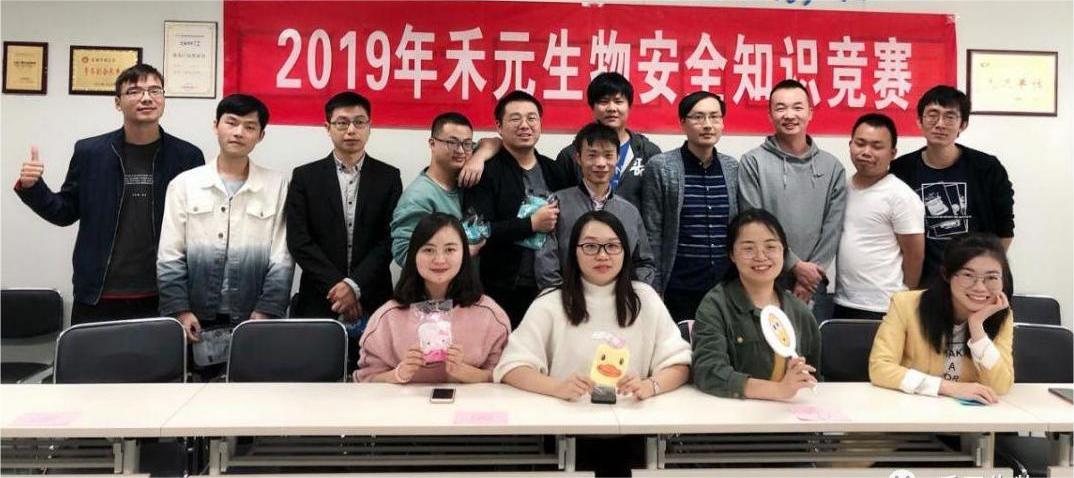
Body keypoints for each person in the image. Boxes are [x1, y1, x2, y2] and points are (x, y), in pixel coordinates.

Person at [15, 64, 204, 325]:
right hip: (98, 293)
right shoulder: (90, 152)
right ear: (117, 102)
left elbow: (197, 229)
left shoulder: (187, 156)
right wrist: (33, 187)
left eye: (155, 90)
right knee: (91, 354)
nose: (146, 98)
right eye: (134, 91)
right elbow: (64, 212)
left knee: (160, 355)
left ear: (163, 99)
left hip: (165, 293)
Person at [495, 210, 691, 400]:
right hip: (566, 417)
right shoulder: (550, 302)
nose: (602, 255)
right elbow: (512, 366)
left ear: (625, 251)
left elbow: (680, 363)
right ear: (574, 251)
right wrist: (556, 387)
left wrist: (651, 386)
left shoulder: (645, 299)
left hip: (632, 415)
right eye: (590, 246)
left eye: (612, 246)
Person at [157, 94, 293, 369]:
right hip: (195, 316)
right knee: (194, 388)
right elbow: (169, 255)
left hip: (254, 316)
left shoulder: (276, 186)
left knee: (254, 388)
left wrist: (267, 310)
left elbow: (282, 258)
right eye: (231, 123)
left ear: (261, 135)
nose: (239, 132)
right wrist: (180, 310)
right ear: (216, 125)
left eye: (249, 126)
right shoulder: (184, 185)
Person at [286, 91, 402, 364]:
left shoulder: (389, 177)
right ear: (327, 127)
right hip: (319, 298)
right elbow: (299, 240)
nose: (351, 130)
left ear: (370, 127)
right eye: (342, 122)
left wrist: (354, 285)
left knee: (374, 376)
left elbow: (390, 238)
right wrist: (338, 288)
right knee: (316, 376)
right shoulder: (305, 177)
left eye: (359, 122)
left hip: (373, 297)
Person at [457, 72, 662, 211]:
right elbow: (563, 205)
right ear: (592, 107)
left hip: (633, 245)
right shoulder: (570, 155)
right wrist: (481, 152)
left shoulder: (648, 152)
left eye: (618, 101)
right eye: (603, 102)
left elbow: (655, 210)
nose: (611, 108)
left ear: (629, 106)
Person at [738, 79, 846, 323]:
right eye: (780, 108)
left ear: (810, 112)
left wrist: (809, 276)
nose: (789, 115)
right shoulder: (753, 162)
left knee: (810, 345)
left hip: (812, 283)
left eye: (797, 107)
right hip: (764, 276)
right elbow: (753, 221)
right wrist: (795, 266)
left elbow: (833, 228)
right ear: (770, 114)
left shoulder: (832, 167)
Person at [356, 213, 511, 383]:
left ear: (464, 254)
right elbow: (366, 380)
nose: (439, 260)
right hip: (403, 401)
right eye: (428, 250)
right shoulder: (387, 318)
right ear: (414, 255)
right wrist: (398, 374)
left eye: (450, 250)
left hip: (470, 401)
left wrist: (467, 373)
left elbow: (503, 377)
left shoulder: (490, 316)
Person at [889, 85, 1015, 286]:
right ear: (919, 121)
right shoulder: (901, 170)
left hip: (976, 285)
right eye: (932, 115)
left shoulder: (986, 168)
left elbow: (1005, 231)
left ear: (962, 124)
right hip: (924, 283)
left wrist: (982, 276)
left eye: (950, 117)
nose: (940, 124)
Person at [463, 90, 570, 327]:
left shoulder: (555, 171)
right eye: (515, 118)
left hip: (550, 286)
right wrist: (531, 224)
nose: (525, 125)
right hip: (503, 287)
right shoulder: (486, 171)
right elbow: (477, 231)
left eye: (532, 118)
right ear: (499, 127)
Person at [692, 209, 821, 401]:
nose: (760, 256)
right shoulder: (716, 305)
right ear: (732, 254)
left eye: (770, 247)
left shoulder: (799, 310)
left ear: (784, 252)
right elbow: (708, 372)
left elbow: (815, 376)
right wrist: (777, 390)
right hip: (732, 413)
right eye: (748, 248)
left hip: (789, 413)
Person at [869, 233, 1014, 403]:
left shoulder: (1000, 315)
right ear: (947, 274)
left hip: (968, 417)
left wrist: (977, 327)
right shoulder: (905, 305)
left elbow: (1000, 386)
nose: (980, 287)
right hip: (912, 407)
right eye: (968, 275)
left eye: (992, 277)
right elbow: (880, 368)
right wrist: (948, 388)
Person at [641, 91, 739, 321]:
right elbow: (652, 232)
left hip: (724, 287)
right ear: (683, 123)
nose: (707, 125)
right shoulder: (661, 166)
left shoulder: (732, 167)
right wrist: (654, 286)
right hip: (678, 286)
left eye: (714, 117)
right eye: (698, 117)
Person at [535, 122, 656, 289]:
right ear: (578, 158)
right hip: (567, 297)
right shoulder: (556, 204)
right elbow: (545, 261)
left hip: (619, 299)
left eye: (608, 155)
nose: (600, 163)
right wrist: (562, 296)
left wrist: (629, 293)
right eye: (592, 155)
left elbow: (644, 263)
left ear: (617, 158)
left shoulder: (630, 211)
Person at [835, 113, 925, 320]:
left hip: (884, 306)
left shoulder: (900, 196)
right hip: (843, 300)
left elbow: (915, 255)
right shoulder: (841, 189)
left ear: (892, 153)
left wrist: (903, 299)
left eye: (877, 146)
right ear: (850, 145)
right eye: (860, 143)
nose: (866, 152)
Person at [390, 112, 479, 266]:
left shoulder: (465, 180)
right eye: (452, 142)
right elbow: (403, 253)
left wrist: (479, 158)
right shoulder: (418, 197)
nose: (460, 150)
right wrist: (467, 251)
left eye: (467, 143)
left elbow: (492, 143)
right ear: (432, 144)